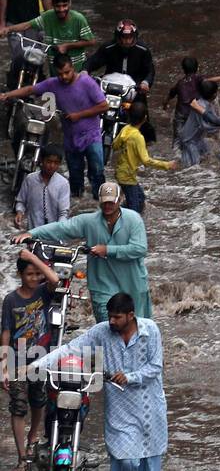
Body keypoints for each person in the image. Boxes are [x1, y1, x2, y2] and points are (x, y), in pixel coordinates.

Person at [29, 291, 166, 471]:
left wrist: (130, 377)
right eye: (110, 316)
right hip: (121, 409)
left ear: (130, 315)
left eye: (117, 317)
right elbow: (70, 349)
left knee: (150, 463)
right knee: (124, 460)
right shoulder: (102, 332)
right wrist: (37, 364)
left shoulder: (151, 330)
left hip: (149, 407)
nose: (111, 321)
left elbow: (156, 366)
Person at [15, 181, 151, 322]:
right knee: (106, 327)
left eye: (111, 202)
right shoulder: (89, 221)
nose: (108, 206)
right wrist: (32, 233)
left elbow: (139, 248)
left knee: (138, 329)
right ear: (99, 200)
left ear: (119, 200)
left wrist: (107, 250)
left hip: (133, 284)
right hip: (102, 284)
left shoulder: (134, 219)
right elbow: (61, 228)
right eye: (104, 202)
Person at [0, 52, 108, 198]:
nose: (64, 77)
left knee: (97, 170)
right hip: (70, 136)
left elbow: (103, 106)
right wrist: (8, 95)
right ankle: (77, 202)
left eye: (67, 72)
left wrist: (79, 115)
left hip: (91, 134)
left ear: (73, 68)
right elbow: (30, 89)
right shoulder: (53, 83)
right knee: (75, 173)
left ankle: (100, 199)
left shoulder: (87, 82)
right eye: (60, 74)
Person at [0, 248, 58, 471]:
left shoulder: (44, 292)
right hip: (17, 360)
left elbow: (54, 278)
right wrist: (3, 363)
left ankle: (33, 436)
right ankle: (22, 457)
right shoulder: (11, 300)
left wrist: (33, 258)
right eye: (29, 274)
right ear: (20, 275)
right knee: (18, 406)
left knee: (38, 402)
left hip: (41, 358)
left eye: (37, 274)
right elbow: (5, 331)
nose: (34, 278)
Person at [5, 0, 95, 71]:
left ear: (70, 3)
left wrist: (67, 45)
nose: (61, 9)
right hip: (55, 68)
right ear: (52, 5)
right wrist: (7, 29)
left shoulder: (78, 19)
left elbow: (91, 41)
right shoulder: (47, 17)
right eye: (58, 6)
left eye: (64, 5)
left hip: (75, 68)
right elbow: (27, 25)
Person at [113, 103, 177, 214]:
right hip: (128, 176)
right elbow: (146, 161)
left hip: (121, 172)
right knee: (135, 208)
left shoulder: (125, 129)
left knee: (140, 197)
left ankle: (118, 211)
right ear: (144, 118)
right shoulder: (138, 137)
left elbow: (115, 145)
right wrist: (166, 165)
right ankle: (123, 218)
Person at [164, 57, 220, 146]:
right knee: (197, 132)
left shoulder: (179, 83)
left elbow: (171, 94)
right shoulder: (197, 78)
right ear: (197, 68)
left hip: (180, 114)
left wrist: (165, 104)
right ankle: (214, 135)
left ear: (183, 69)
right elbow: (209, 81)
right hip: (193, 111)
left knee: (177, 139)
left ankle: (175, 153)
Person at [176, 79, 220, 168]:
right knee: (194, 166)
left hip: (197, 138)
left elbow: (214, 119)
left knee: (208, 155)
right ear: (214, 95)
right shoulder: (201, 105)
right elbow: (205, 126)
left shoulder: (206, 104)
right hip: (189, 140)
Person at [14, 144, 70, 230]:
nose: (52, 166)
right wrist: (19, 213)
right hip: (33, 231)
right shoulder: (30, 179)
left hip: (54, 233)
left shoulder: (63, 183)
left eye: (56, 163)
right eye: (49, 161)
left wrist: (59, 228)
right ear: (41, 160)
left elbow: (63, 212)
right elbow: (21, 201)